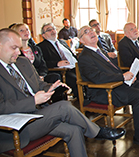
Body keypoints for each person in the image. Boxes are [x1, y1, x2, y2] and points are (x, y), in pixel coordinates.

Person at [0, 28, 125, 157]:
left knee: (75, 130)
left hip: (38, 115)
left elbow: (38, 85)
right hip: (16, 128)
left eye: (18, 48)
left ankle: (94, 133)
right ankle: (97, 132)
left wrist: (51, 87)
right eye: (13, 48)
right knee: (64, 107)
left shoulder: (23, 62)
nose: (18, 52)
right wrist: (33, 101)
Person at [77, 26, 139, 146]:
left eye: (92, 30)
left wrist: (128, 76)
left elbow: (112, 71)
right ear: (81, 40)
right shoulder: (85, 56)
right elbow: (97, 77)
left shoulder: (100, 50)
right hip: (104, 91)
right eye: (86, 32)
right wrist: (122, 77)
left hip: (117, 85)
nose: (91, 32)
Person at [37, 23, 78, 98]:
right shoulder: (41, 47)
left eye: (54, 29)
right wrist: (56, 63)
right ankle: (82, 101)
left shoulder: (62, 42)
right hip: (63, 71)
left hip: (75, 67)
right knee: (76, 80)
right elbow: (41, 63)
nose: (53, 31)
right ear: (43, 35)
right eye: (49, 30)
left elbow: (72, 55)